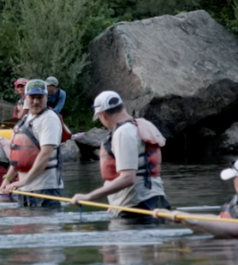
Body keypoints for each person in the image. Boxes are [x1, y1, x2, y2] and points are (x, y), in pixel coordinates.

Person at [70, 91, 170, 219]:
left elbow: (128, 178)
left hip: (137, 207)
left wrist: (88, 196)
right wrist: (116, 201)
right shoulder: (141, 125)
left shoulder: (123, 133)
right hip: (155, 202)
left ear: (102, 115)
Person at [1, 80, 65, 207]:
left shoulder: (49, 119)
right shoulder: (24, 120)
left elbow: (45, 154)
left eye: (40, 97)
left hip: (45, 188)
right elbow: (17, 156)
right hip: (24, 189)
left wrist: (23, 181)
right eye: (32, 97)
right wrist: (7, 179)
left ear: (47, 97)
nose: (36, 101)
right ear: (25, 98)